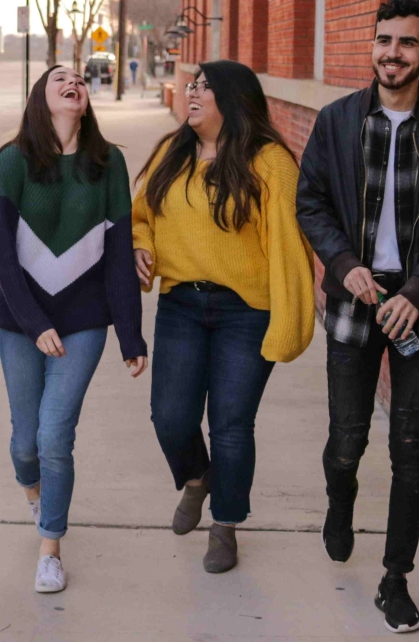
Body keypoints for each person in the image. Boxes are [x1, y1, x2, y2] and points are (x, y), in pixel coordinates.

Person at [297, 0, 419, 634]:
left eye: (406, 43)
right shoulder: (338, 121)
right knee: (346, 442)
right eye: (383, 41)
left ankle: (395, 579)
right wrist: (343, 262)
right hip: (354, 299)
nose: (391, 53)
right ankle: (339, 502)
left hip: (417, 306)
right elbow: (311, 202)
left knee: (409, 447)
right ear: (371, 46)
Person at [133, 60, 315, 574]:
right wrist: (139, 247)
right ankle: (197, 479)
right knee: (170, 417)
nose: (192, 92)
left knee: (231, 425)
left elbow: (289, 247)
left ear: (232, 100)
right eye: (191, 84)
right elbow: (140, 215)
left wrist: (289, 323)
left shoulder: (270, 162)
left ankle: (226, 525)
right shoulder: (172, 152)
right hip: (181, 304)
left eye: (204, 87)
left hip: (245, 311)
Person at [0, 65, 147, 594]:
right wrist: (34, 325)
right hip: (19, 322)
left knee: (55, 435)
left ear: (86, 100)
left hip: (83, 322)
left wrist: (130, 334)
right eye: (59, 77)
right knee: (24, 442)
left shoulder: (109, 164)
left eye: (79, 78)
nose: (72, 81)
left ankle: (50, 546)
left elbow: (121, 256)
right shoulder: (13, 162)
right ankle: (34, 491)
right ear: (41, 97)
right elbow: (2, 257)